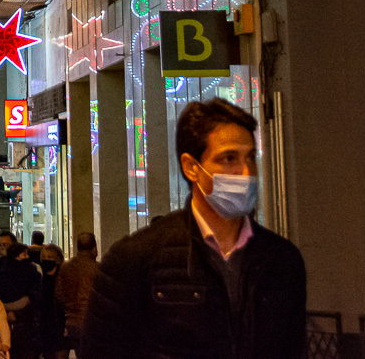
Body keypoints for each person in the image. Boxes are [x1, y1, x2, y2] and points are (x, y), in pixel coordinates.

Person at [81, 98, 306, 359]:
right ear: (191, 168)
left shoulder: (282, 260)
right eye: (229, 158)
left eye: (250, 158)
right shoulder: (134, 259)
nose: (245, 172)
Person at [0, 243, 38, 359]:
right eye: (23, 254)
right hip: (15, 322)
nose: (26, 257)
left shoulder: (1, 272)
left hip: (25, 321)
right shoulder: (3, 273)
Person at [55, 233, 96, 354]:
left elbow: (59, 295)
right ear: (94, 248)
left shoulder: (65, 268)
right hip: (91, 322)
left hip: (71, 322)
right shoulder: (98, 269)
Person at [38, 245, 66, 358]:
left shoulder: (63, 276)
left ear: (57, 259)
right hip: (44, 324)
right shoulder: (39, 276)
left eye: (50, 257)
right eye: (44, 256)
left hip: (60, 323)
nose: (46, 259)